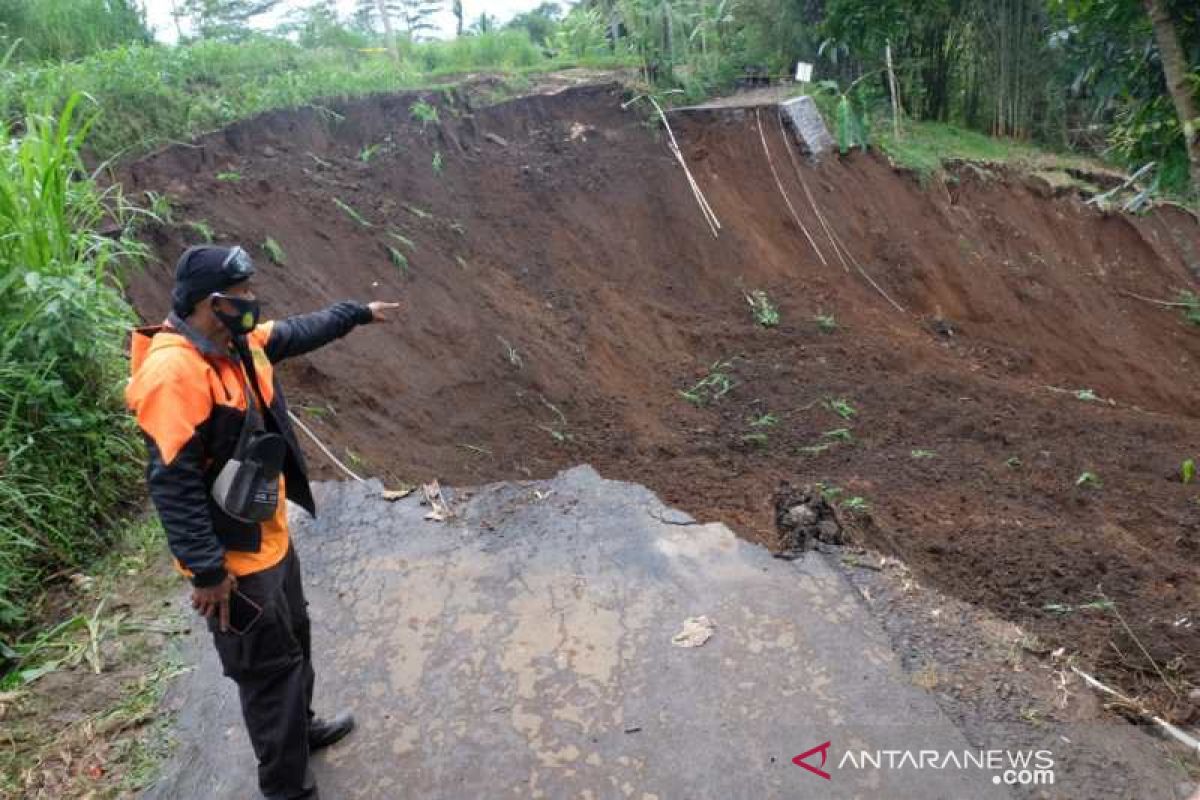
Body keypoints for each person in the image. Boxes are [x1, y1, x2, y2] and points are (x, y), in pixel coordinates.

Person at [126, 245, 399, 800]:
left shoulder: (238, 345)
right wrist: (207, 572)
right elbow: (172, 485)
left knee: (295, 639)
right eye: (242, 294)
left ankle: (304, 730)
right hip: (233, 564)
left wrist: (357, 312)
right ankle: (288, 790)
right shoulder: (174, 374)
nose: (253, 302)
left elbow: (299, 330)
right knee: (268, 678)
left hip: (269, 540)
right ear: (212, 304)